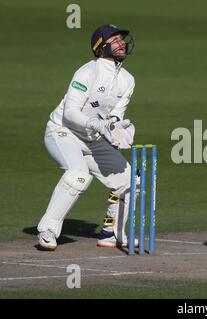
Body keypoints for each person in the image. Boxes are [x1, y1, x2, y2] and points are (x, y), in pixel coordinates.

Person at [37, 24, 137, 251]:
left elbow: (114, 116)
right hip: (63, 132)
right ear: (101, 47)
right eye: (116, 39)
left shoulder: (127, 80)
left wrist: (116, 130)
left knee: (130, 181)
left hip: (93, 139)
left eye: (122, 38)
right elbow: (70, 113)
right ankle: (47, 231)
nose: (122, 42)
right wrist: (94, 123)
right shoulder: (88, 72)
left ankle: (111, 232)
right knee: (78, 175)